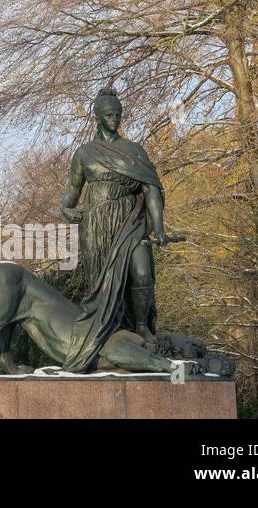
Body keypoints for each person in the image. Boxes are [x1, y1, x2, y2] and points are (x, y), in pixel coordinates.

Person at [60, 87, 179, 369]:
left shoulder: (134, 150)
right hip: (97, 224)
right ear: (97, 117)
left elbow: (151, 189)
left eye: (118, 115)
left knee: (141, 273)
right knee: (99, 283)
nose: (115, 119)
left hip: (131, 220)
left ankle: (142, 327)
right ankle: (106, 334)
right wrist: (65, 208)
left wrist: (158, 228)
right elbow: (73, 188)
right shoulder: (85, 153)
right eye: (109, 115)